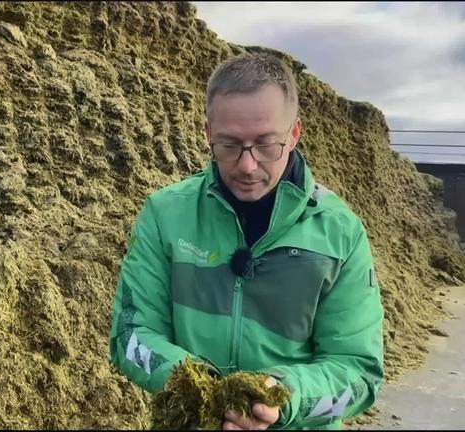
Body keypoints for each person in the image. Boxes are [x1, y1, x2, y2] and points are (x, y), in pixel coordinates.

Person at [109, 52, 384, 430]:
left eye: (267, 145)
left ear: (294, 134)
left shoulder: (340, 234)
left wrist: (280, 398)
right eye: (229, 145)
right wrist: (200, 392)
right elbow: (131, 334)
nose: (247, 165)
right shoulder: (164, 214)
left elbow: (359, 374)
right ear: (208, 134)